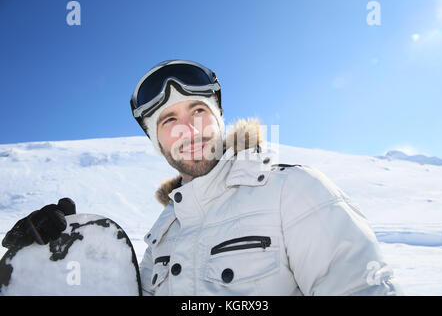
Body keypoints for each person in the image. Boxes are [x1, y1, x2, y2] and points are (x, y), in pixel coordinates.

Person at [3, 60, 402, 296]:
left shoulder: (293, 191)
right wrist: (61, 260)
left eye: (198, 111)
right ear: (155, 140)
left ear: (219, 119)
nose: (188, 130)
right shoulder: (162, 232)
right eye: (168, 120)